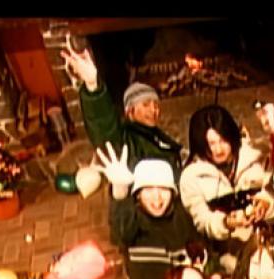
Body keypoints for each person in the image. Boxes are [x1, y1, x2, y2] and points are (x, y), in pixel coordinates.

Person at [97, 145, 201, 279]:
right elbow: (120, 230)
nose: (157, 198)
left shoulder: (181, 217)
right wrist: (120, 194)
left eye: (163, 190)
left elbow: (198, 245)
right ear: (137, 195)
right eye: (148, 190)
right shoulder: (133, 221)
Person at [180, 104, 274, 277]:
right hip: (227, 257)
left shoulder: (256, 158)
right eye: (211, 144)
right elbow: (202, 220)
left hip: (270, 247)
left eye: (223, 141)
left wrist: (265, 205)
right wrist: (227, 222)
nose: (218, 149)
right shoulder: (192, 176)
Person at [61, 46, 183, 179]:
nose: (153, 110)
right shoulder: (126, 139)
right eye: (146, 105)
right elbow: (103, 126)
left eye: (156, 105)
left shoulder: (155, 135)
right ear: (129, 111)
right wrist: (93, 86)